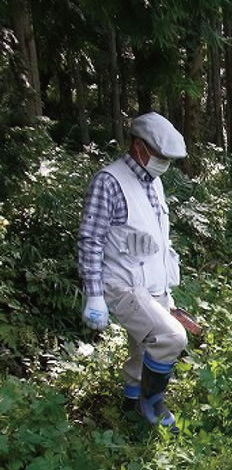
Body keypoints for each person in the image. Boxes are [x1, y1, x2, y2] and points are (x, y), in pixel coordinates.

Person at [77, 112, 188, 429]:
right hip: (121, 285)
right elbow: (91, 239)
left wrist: (168, 292)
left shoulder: (155, 184)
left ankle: (129, 408)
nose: (164, 163)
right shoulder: (108, 182)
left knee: (143, 351)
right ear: (139, 148)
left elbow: (155, 242)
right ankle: (152, 404)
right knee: (170, 338)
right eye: (160, 156)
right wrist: (94, 295)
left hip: (153, 286)